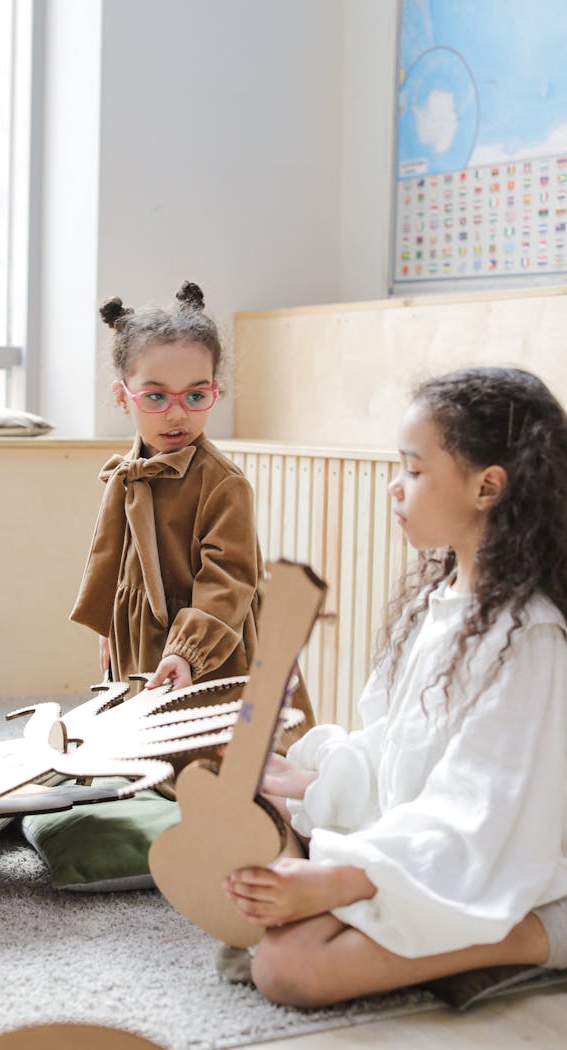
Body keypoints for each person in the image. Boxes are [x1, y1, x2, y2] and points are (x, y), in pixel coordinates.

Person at [223, 366, 567, 1007]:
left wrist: (336, 882)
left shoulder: (529, 639)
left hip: (492, 864)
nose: (394, 487)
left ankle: (533, 937)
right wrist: (309, 780)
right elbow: (398, 749)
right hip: (415, 846)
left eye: (413, 469)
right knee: (251, 824)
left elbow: (477, 820)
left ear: (487, 486)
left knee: (287, 967)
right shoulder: (439, 602)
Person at [70, 279, 313, 728]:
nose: (178, 414)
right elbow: (111, 558)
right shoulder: (131, 470)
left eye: (196, 396)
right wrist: (109, 626)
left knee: (202, 745)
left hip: (212, 641)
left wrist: (188, 651)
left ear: (213, 391)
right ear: (123, 396)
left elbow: (229, 579)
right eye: (157, 396)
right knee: (142, 737)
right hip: (143, 632)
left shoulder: (223, 484)